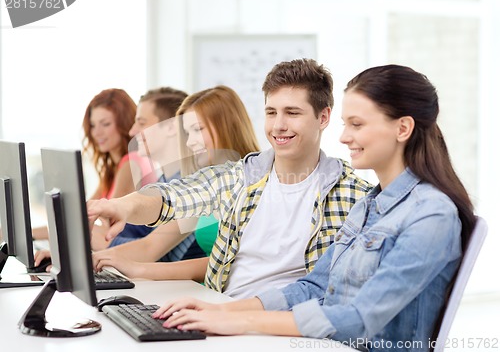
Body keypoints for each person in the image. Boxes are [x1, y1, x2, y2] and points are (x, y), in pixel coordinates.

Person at [152, 64, 476, 351]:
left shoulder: (431, 215)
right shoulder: (369, 205)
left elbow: (359, 319)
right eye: (346, 124)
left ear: (402, 128)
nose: (345, 136)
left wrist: (241, 322)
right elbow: (314, 286)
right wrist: (221, 312)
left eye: (357, 125)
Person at [87, 58, 372, 299]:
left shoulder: (353, 195)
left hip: (283, 327)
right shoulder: (240, 177)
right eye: (271, 112)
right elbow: (172, 196)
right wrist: (122, 206)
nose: (279, 125)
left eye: (292, 113)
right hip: (219, 314)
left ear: (324, 118)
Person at [92, 85, 260, 277]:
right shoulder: (208, 184)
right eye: (188, 133)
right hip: (205, 292)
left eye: (198, 129)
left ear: (227, 125)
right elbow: (163, 201)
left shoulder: (256, 182)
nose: (189, 142)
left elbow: (235, 261)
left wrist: (137, 267)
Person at [31, 88, 153, 241]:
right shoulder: (114, 169)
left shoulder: (131, 163)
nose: (96, 133)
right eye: (93, 125)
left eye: (106, 124)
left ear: (124, 124)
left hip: (124, 252)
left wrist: (27, 235)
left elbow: (99, 225)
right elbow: (80, 217)